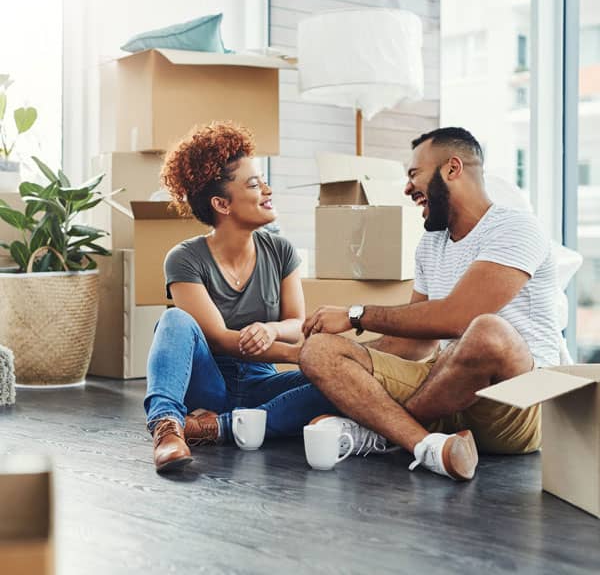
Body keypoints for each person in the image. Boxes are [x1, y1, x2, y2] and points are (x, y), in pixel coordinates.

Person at [299, 127, 560, 481]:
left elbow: (458, 319)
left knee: (487, 331)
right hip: (446, 390)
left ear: (452, 169)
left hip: (518, 400)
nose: (407, 188)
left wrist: (354, 315)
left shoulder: (516, 228)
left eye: (413, 175)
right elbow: (412, 344)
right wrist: (335, 356)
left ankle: (385, 434)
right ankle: (429, 446)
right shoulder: (430, 245)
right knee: (319, 351)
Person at [144, 122, 342, 473]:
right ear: (222, 203)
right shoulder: (184, 258)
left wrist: (273, 330)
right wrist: (300, 356)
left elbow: (297, 324)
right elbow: (219, 340)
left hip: (261, 382)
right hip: (208, 383)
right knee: (173, 319)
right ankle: (167, 427)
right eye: (254, 184)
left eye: (263, 180)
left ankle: (214, 427)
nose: (267, 189)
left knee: (344, 382)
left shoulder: (280, 250)